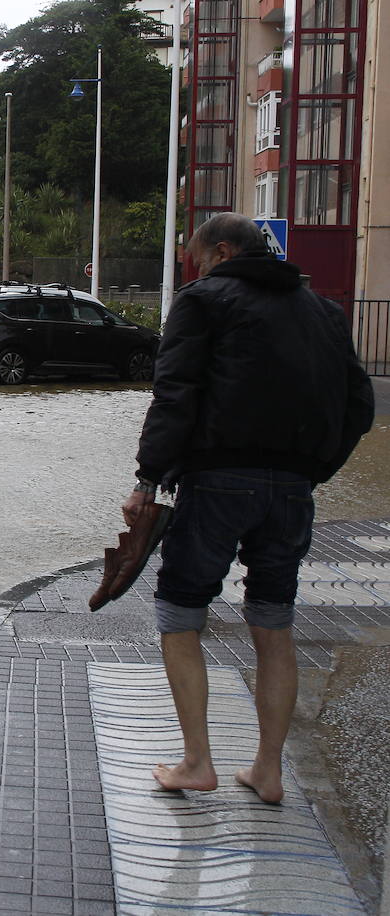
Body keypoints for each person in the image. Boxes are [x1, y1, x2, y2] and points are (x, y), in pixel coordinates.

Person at [122, 212, 374, 804]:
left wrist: (147, 480)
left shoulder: (204, 302)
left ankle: (197, 762)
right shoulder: (324, 312)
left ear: (223, 251)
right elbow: (358, 406)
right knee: (274, 620)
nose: (195, 269)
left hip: (216, 481)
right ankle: (267, 770)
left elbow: (175, 393)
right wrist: (309, 470)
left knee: (180, 612)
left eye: (197, 259)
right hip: (292, 489)